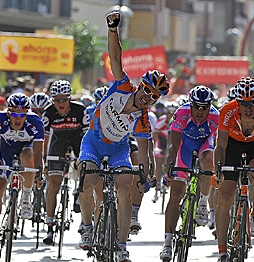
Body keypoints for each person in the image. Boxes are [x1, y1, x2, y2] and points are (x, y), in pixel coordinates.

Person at [78, 11, 169, 262]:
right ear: (141, 86)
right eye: (147, 91)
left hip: (118, 149)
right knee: (87, 181)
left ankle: (121, 245)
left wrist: (145, 175)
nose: (148, 97)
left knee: (126, 188)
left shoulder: (142, 120)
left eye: (153, 97)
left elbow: (145, 149)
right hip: (93, 143)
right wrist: (112, 29)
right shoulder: (122, 86)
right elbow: (116, 56)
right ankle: (86, 227)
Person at [213, 77, 254, 262]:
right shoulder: (227, 111)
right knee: (225, 197)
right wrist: (218, 171)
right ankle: (222, 251)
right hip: (232, 145)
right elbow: (220, 147)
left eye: (253, 103)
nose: (248, 108)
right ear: (237, 102)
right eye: (243, 103)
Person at [160, 85, 219, 261]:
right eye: (197, 107)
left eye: (204, 107)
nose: (200, 111)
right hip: (184, 147)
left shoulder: (215, 116)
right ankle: (167, 243)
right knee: (176, 194)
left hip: (204, 145)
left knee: (208, 160)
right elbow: (173, 145)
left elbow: (218, 145)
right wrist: (170, 168)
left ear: (210, 107)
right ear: (190, 105)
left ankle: (202, 203)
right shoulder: (182, 113)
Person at [0, 92, 44, 256]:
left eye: (22, 114)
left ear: (27, 114)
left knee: (28, 156)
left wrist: (39, 173)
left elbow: (39, 152)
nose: (18, 118)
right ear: (8, 113)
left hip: (25, 149)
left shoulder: (35, 122)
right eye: (14, 113)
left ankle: (26, 198)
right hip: (4, 152)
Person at [42, 80, 90, 245]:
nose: (60, 103)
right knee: (53, 185)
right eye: (57, 100)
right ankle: (49, 225)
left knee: (85, 166)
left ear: (70, 98)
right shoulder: (48, 113)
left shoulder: (80, 110)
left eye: (64, 99)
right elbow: (45, 140)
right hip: (58, 143)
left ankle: (80, 192)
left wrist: (84, 158)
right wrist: (45, 162)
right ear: (52, 100)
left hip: (78, 140)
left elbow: (87, 137)